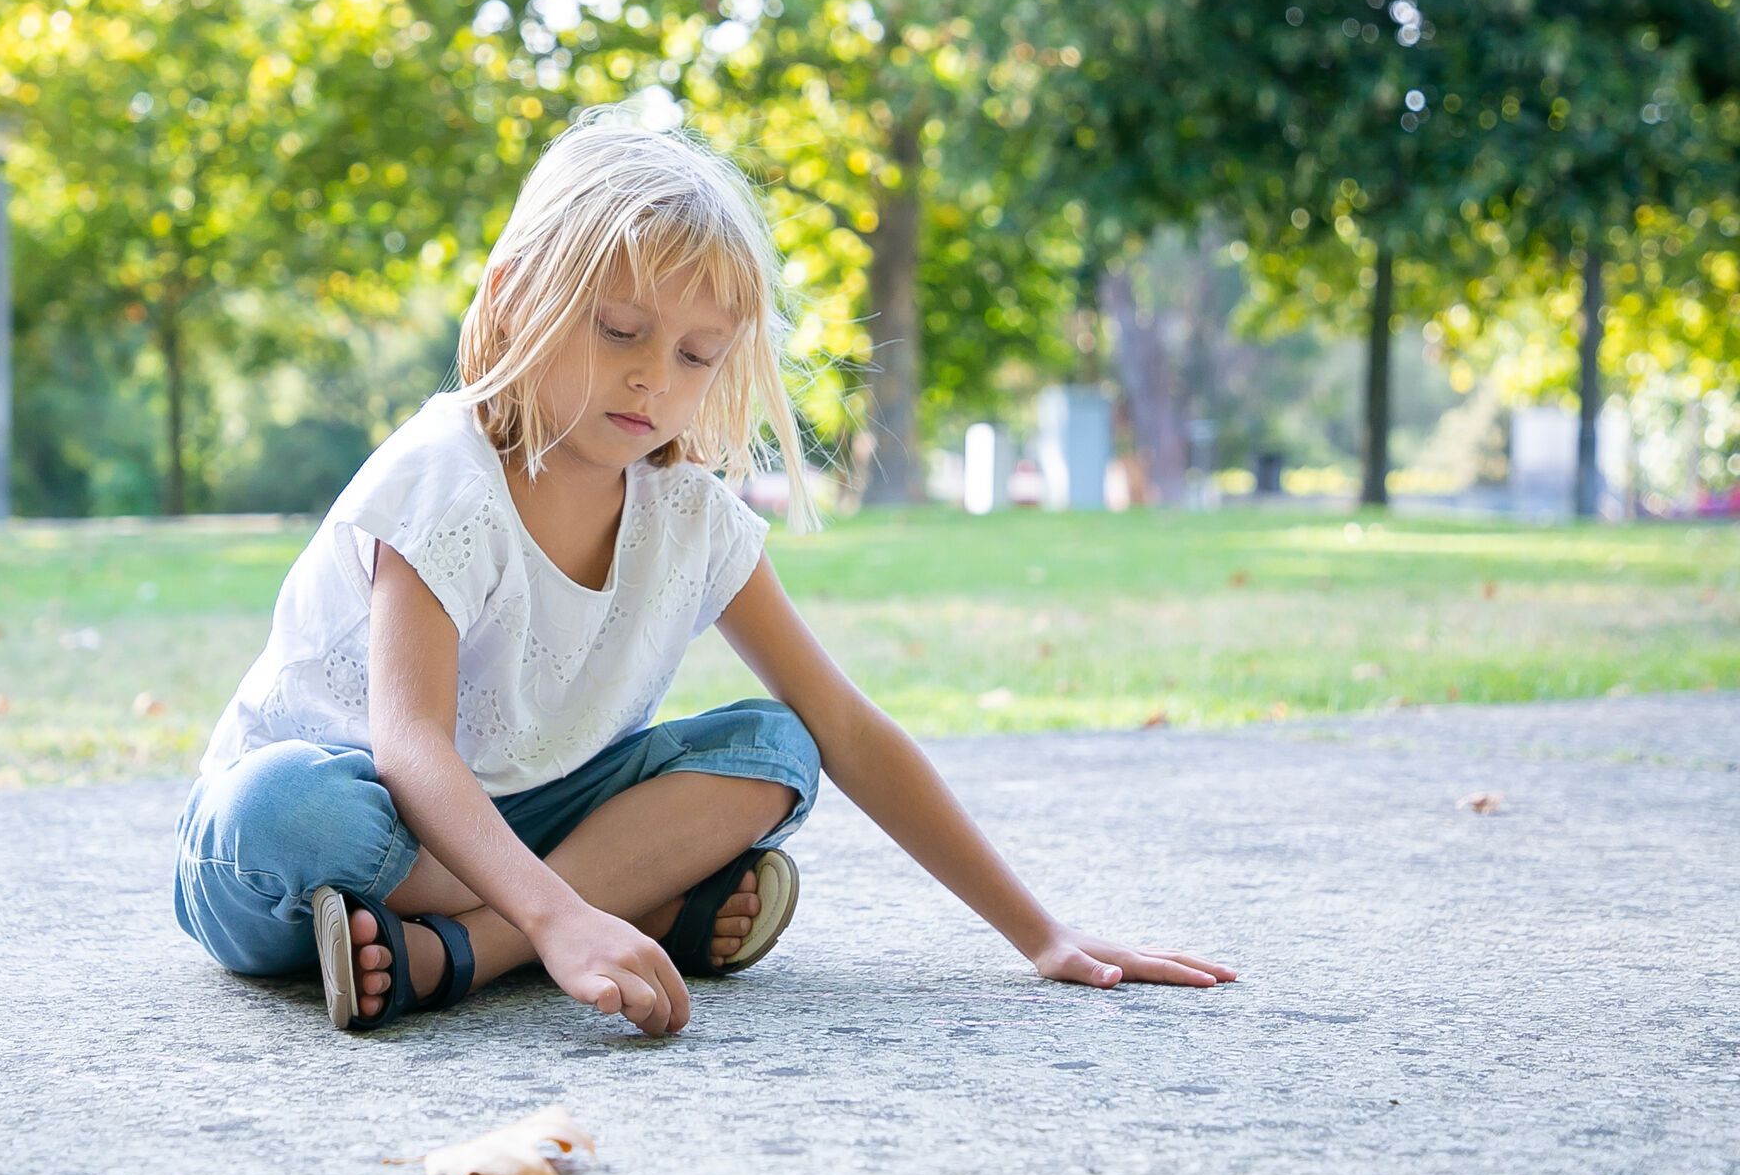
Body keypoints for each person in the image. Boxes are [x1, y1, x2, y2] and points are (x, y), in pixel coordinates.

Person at [172, 103, 1236, 1037]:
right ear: (509, 297)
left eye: (695, 354)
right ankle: (612, 905)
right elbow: (409, 748)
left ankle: (460, 951)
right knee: (291, 807)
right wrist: (560, 910)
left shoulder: (689, 515)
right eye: (619, 328)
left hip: (520, 824)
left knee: (773, 747)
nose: (652, 375)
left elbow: (846, 729)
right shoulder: (442, 478)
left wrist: (1040, 934)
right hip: (335, 834)